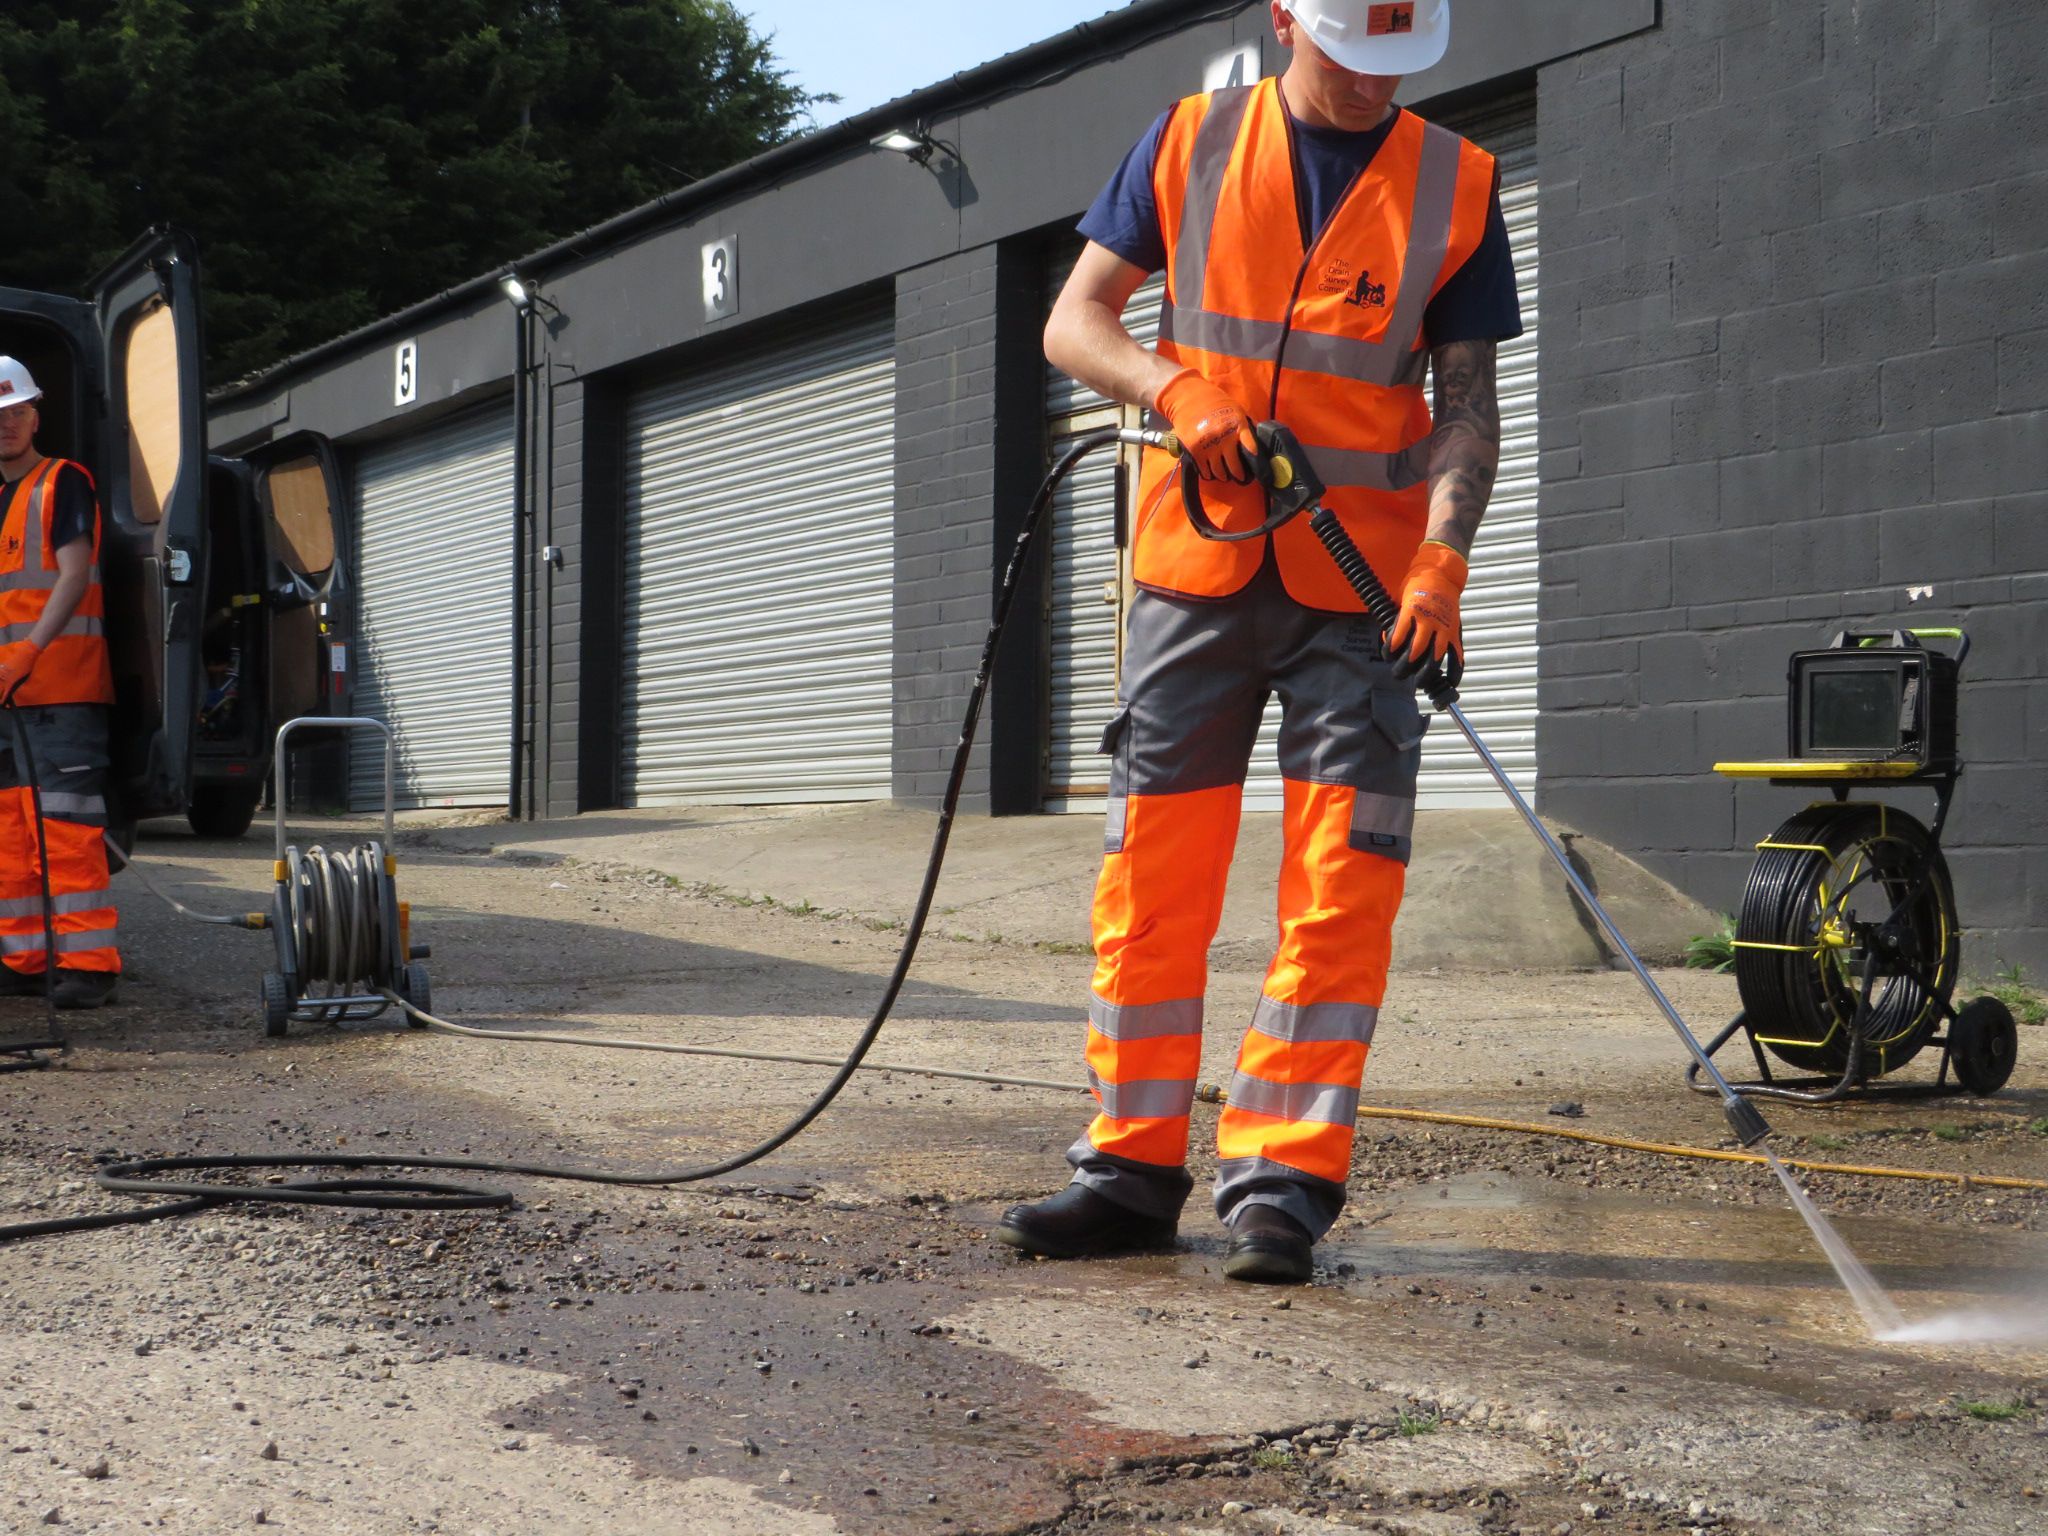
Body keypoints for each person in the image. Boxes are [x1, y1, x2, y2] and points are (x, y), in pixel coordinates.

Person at [1000, 0, 1519, 1283]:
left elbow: (1465, 405)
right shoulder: (1186, 142)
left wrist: (1444, 558)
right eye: (1346, 51)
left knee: (1345, 881)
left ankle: (1282, 1179)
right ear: (1288, 16)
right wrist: (1172, 389)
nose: (1365, 81)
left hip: (1364, 594)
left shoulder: (1455, 183)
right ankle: (1126, 1169)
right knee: (1155, 873)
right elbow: (1075, 321)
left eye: (1391, 60)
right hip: (1196, 570)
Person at [0, 356, 121, 1007]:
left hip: (61, 690)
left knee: (64, 830)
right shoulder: (2, 499)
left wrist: (28, 652)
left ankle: (90, 964)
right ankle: (24, 960)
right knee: (11, 833)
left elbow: (75, 574)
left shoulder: (62, 482)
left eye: (14, 410)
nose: (5, 423)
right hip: (11, 698)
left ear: (34, 414)